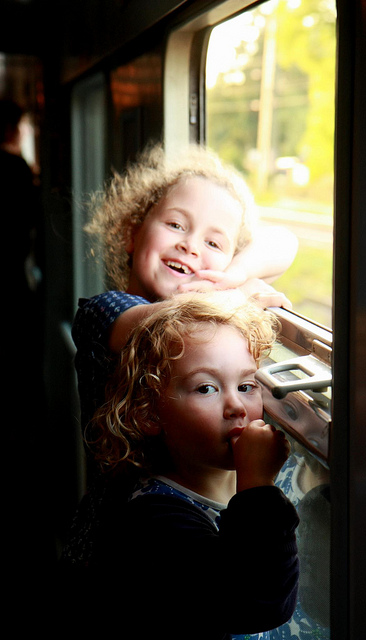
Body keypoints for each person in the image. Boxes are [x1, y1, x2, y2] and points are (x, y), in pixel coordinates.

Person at [61, 143, 298, 565]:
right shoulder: (104, 312)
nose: (190, 246)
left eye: (213, 242)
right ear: (131, 233)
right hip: (116, 542)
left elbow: (285, 242)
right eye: (175, 224)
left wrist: (232, 275)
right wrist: (237, 295)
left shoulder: (223, 291)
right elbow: (172, 321)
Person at [77, 293, 299, 639]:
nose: (237, 407)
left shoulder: (240, 481)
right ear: (149, 413)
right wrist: (257, 483)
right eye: (206, 388)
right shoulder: (154, 520)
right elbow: (258, 602)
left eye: (246, 386)